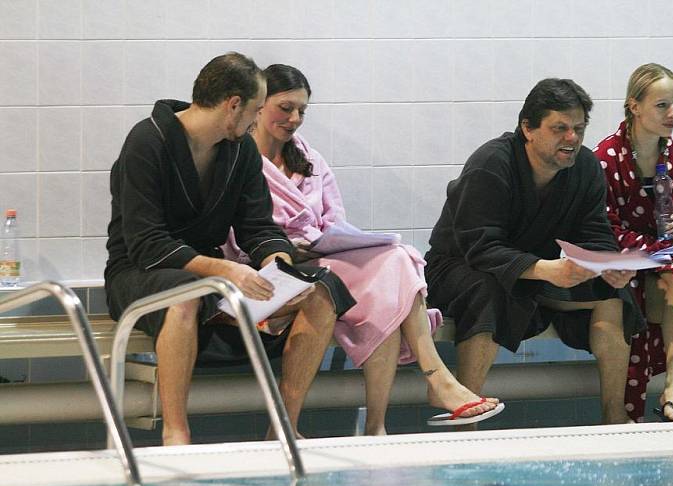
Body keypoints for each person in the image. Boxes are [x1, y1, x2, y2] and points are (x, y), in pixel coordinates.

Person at [223, 64, 504, 435]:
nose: (294, 119)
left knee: (396, 261)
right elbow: (232, 233)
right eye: (285, 107)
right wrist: (288, 249)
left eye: (302, 111)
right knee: (392, 280)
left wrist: (332, 241)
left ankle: (383, 422)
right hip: (269, 271)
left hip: (322, 258)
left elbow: (334, 221)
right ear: (259, 106)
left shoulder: (309, 159)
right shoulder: (237, 160)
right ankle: (431, 385)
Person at [104, 53, 355, 446]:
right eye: (257, 109)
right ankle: (176, 435)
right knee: (185, 293)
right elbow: (146, 243)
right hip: (139, 272)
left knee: (320, 290)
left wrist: (280, 266)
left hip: (208, 275)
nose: (257, 121)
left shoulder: (238, 152)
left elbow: (258, 227)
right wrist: (225, 271)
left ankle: (283, 428)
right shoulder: (148, 141)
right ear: (233, 104)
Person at [424, 78, 644, 426]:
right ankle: (466, 407)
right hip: (458, 268)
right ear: (527, 128)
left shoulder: (585, 169)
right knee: (489, 289)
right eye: (560, 128)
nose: (572, 138)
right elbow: (480, 247)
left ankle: (615, 415)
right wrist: (544, 269)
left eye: (578, 129)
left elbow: (596, 233)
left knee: (614, 295)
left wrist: (608, 266)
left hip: (538, 272)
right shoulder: (491, 164)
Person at [593, 63, 673, 422]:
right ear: (634, 106)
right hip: (623, 270)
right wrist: (657, 247)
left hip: (671, 271)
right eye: (662, 105)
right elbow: (605, 229)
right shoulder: (605, 159)